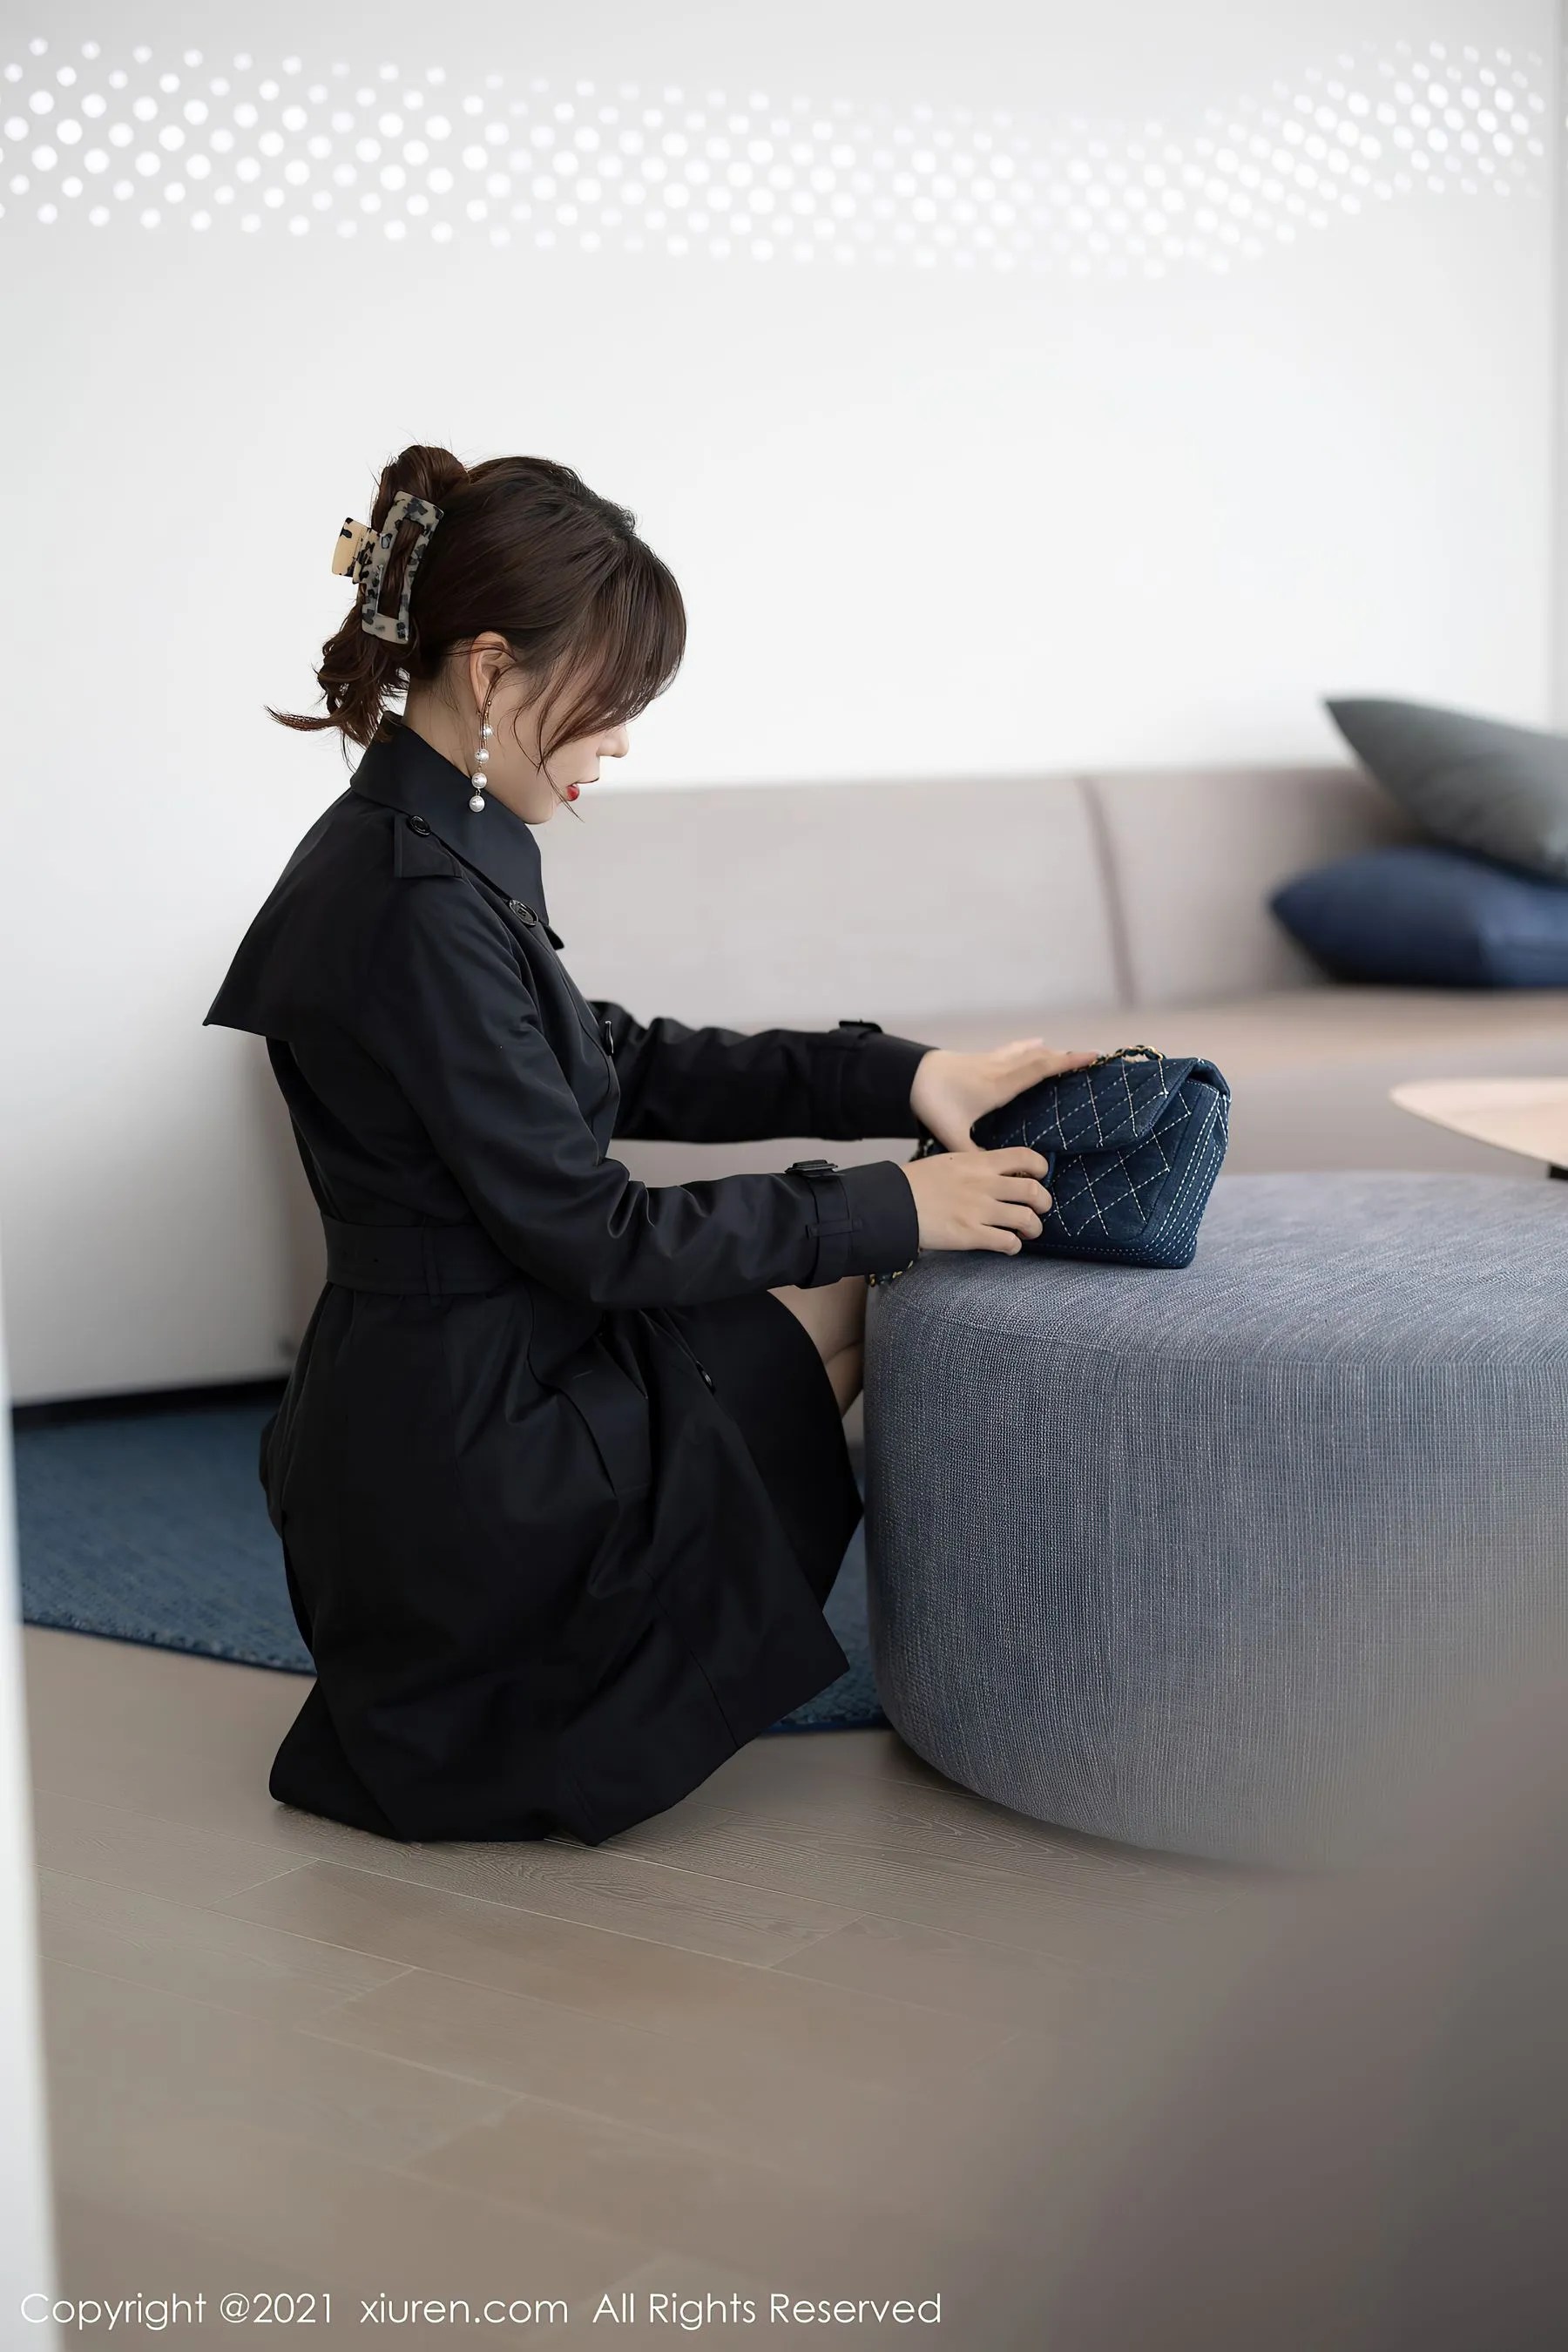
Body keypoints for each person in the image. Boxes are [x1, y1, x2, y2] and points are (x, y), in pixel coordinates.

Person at [205, 443, 1093, 1847]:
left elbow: (612, 1060)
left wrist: (901, 1074)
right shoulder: (410, 898)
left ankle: (616, 1677)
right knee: (873, 1289)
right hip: (465, 1438)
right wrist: (896, 1204)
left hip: (458, 1374)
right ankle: (568, 1697)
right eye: (612, 701)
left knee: (850, 1303)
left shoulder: (431, 840)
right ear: (490, 670)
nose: (620, 741)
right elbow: (596, 1232)